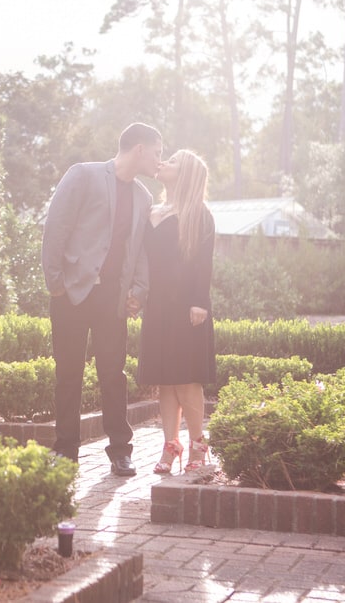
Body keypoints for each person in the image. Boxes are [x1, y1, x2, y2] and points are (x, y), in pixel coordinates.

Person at [41, 122, 163, 476]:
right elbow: (56, 227)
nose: (160, 160)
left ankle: (120, 450)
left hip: (112, 298)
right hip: (71, 294)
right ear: (139, 148)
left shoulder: (143, 196)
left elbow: (139, 249)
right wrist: (55, 284)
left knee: (113, 374)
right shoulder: (84, 175)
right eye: (157, 152)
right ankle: (65, 450)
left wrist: (138, 291)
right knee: (68, 374)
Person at [136, 149, 216, 474]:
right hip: (156, 308)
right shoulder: (152, 210)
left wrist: (200, 301)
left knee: (186, 380)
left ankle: (198, 446)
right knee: (165, 382)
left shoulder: (199, 213)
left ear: (184, 175)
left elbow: (203, 261)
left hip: (187, 308)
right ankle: (171, 445)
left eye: (172, 162)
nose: (163, 163)